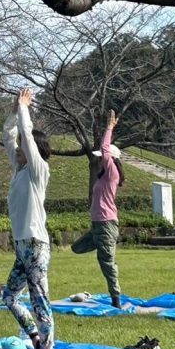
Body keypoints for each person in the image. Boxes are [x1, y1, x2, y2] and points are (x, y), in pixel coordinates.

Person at [0, 87, 54, 349]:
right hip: (22, 246)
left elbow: (27, 138)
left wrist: (24, 109)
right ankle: (33, 336)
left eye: (24, 145)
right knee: (9, 297)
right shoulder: (20, 170)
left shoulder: (37, 171)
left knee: (39, 300)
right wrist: (13, 111)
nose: (19, 148)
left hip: (35, 244)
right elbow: (8, 136)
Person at [72, 110, 125, 308]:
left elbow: (104, 148)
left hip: (106, 223)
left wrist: (110, 127)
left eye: (102, 157)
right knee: (76, 248)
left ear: (110, 158)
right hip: (97, 225)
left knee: (106, 263)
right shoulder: (103, 176)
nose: (99, 159)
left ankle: (116, 299)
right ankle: (105, 244)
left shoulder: (112, 173)